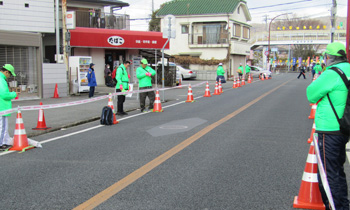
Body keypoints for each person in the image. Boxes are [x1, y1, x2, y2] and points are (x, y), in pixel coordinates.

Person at [306, 42, 350, 210]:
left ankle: (337, 206)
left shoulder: (331, 73)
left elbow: (311, 94)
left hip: (329, 129)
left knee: (328, 175)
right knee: (338, 170)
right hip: (345, 127)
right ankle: (343, 204)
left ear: (329, 58)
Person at [0, 64, 18, 150]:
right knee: (2, 126)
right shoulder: (1, 80)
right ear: (6, 72)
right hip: (2, 107)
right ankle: (1, 144)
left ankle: (4, 142)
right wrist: (14, 94)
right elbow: (3, 95)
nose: (9, 76)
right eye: (10, 74)